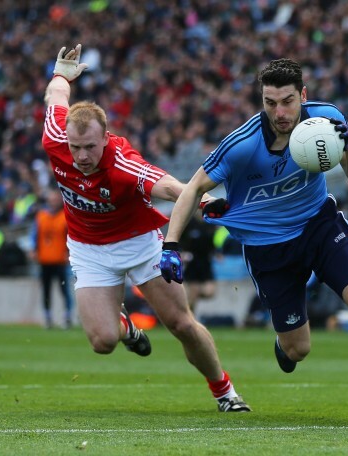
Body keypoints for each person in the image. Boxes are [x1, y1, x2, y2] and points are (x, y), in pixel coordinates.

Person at [161, 58, 348, 422]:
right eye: (270, 103)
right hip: (268, 248)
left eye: (286, 101)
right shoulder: (241, 143)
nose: (279, 112)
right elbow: (192, 189)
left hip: (319, 227)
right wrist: (170, 245)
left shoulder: (327, 119)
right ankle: (285, 346)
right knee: (297, 350)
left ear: (303, 95)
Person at [41, 44, 250, 412]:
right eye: (76, 148)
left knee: (181, 324)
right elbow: (56, 95)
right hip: (89, 250)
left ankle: (224, 391)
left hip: (140, 244)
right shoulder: (55, 138)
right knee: (102, 341)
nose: (83, 157)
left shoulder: (122, 163)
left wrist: (201, 202)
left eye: (90, 146)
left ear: (105, 137)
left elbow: (168, 186)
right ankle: (128, 329)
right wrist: (61, 74)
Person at [29, 188, 74, 329]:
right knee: (46, 290)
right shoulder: (41, 216)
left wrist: (70, 253)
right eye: (51, 199)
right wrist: (32, 249)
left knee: (64, 290)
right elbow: (34, 235)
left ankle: (67, 316)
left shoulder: (65, 216)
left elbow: (71, 236)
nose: (53, 202)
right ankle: (47, 316)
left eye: (56, 199)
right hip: (45, 260)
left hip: (61, 260)